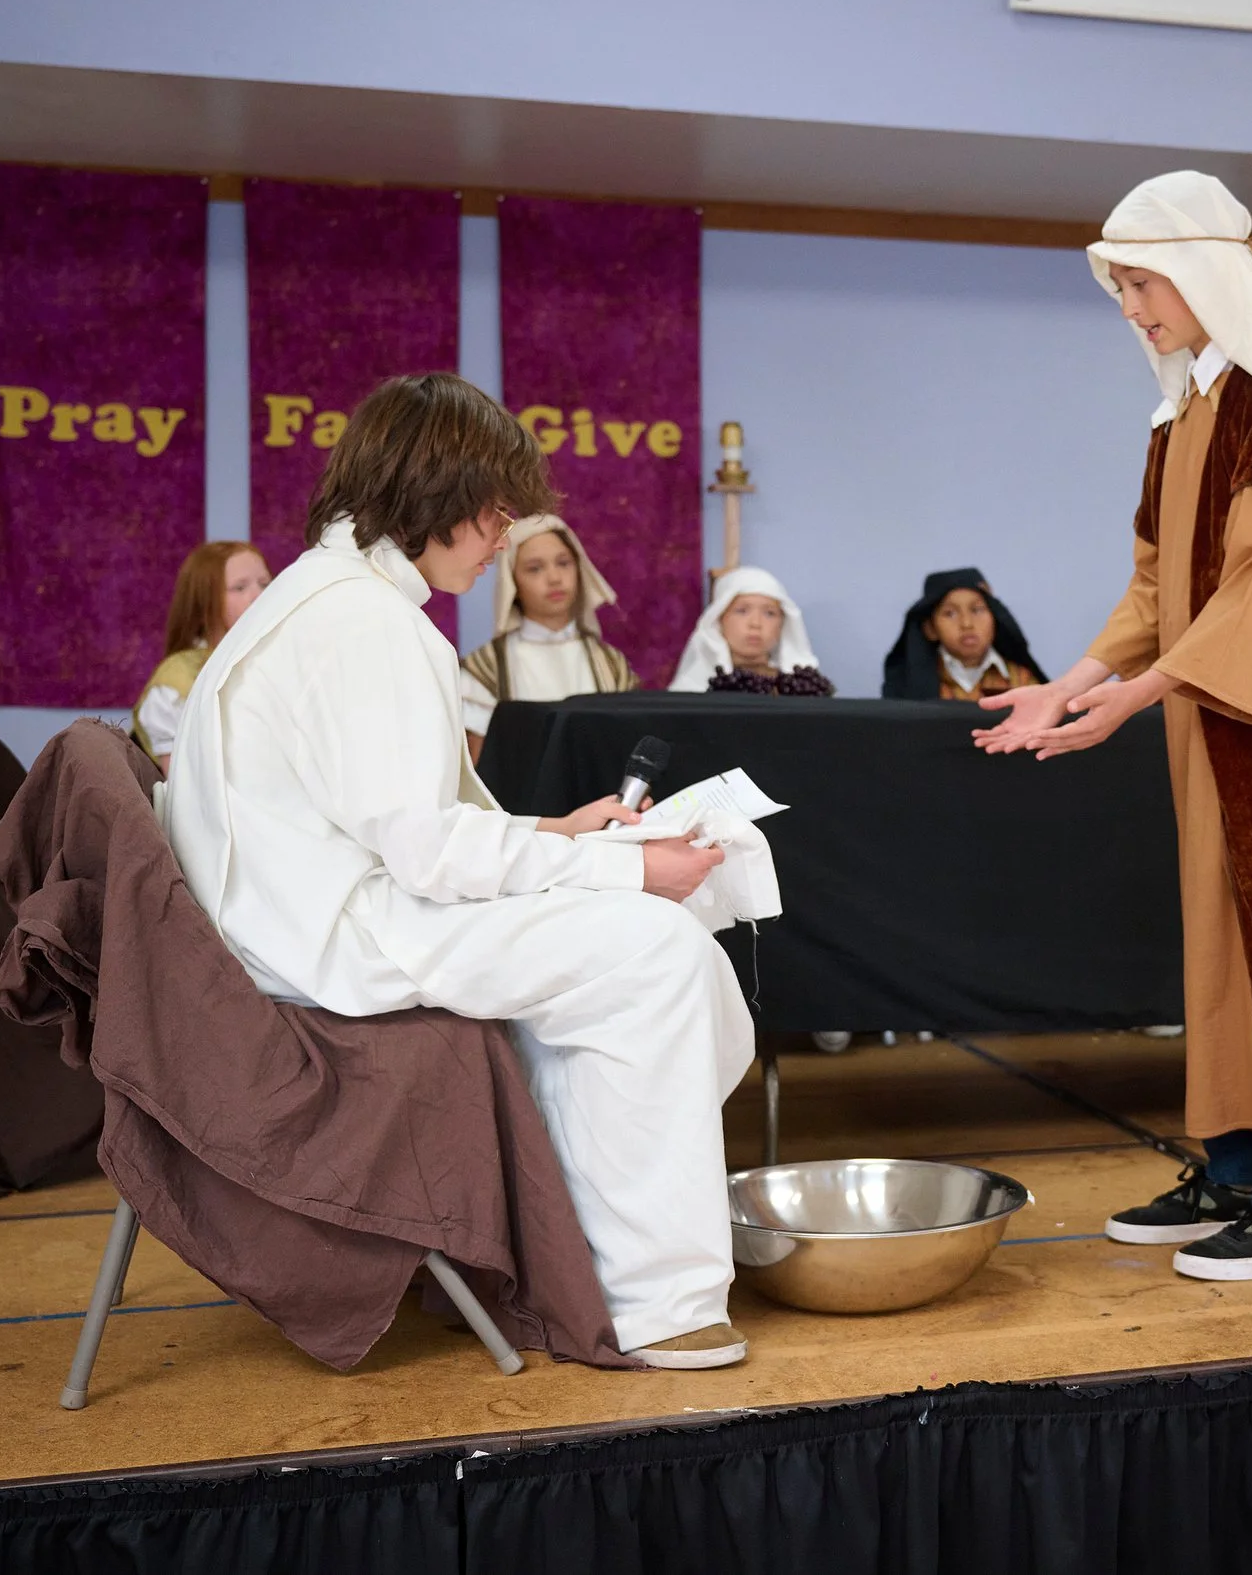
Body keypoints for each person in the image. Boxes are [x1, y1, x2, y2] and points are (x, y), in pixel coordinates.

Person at [159, 373, 756, 1371]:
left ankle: (578, 1255)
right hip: (333, 937)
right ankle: (656, 1304)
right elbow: (427, 850)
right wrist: (626, 871)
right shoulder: (361, 620)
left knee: (641, 950)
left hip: (313, 908)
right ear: (435, 488)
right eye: (493, 506)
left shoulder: (331, 597)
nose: (504, 531)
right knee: (655, 954)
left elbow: (393, 817)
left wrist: (564, 837)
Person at [975, 170, 1252, 1282]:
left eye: (1141, 284)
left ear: (1211, 272)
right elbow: (1160, 584)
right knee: (1219, 955)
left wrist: (1128, 696)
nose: (1131, 310)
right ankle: (1233, 1167)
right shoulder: (1187, 413)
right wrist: (1067, 681)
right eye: (1120, 289)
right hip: (1206, 720)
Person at [459, 514, 638, 764]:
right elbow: (481, 772)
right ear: (512, 581)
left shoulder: (611, 664)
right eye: (535, 568)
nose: (554, 578)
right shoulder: (487, 669)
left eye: (563, 563)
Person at [132, 542, 271, 773]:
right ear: (205, 601)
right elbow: (185, 788)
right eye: (239, 587)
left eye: (266, 584)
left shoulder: (277, 664)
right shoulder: (176, 682)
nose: (259, 596)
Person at [881, 568, 1047, 701]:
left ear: (995, 619)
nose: (966, 623)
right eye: (950, 613)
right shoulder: (909, 685)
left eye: (977, 610)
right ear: (930, 629)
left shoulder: (1023, 680)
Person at [669, 566, 829, 694]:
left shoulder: (804, 690)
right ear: (719, 619)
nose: (755, 623)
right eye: (742, 611)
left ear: (782, 625)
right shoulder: (692, 687)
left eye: (769, 613)